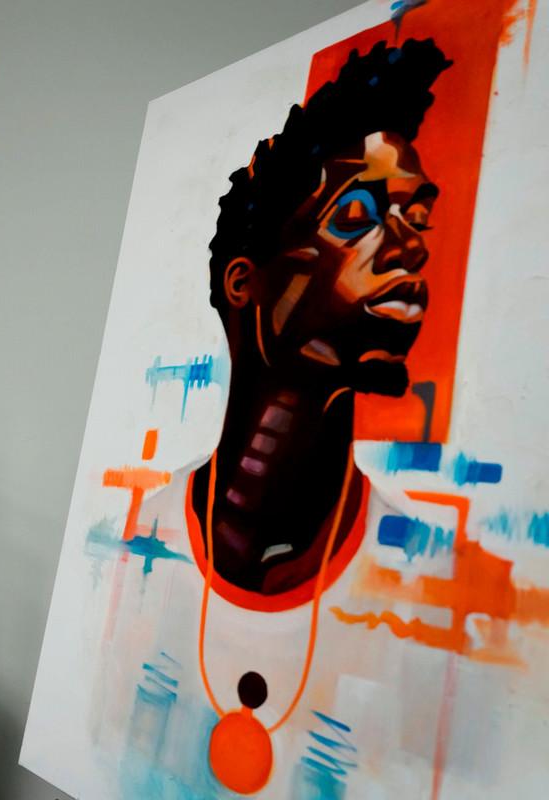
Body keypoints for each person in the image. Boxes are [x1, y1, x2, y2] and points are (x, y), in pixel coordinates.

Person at [190, 37, 451, 606]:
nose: (411, 245)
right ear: (244, 281)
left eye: (418, 216)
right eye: (358, 215)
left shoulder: (421, 579)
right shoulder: (144, 532)